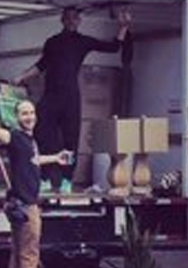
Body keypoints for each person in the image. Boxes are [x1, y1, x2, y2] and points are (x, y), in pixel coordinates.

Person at [14, 7, 131, 193]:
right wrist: (22, 77)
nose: (71, 21)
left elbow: (114, 47)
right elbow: (41, 65)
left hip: (70, 98)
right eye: (68, 18)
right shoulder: (52, 42)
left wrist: (123, 27)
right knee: (42, 135)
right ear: (62, 20)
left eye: (74, 18)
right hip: (50, 96)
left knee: (70, 140)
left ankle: (67, 180)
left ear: (78, 21)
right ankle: (44, 178)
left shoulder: (83, 42)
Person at [0, 85, 70, 268]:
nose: (29, 117)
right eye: (24, 114)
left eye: (31, 113)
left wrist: (55, 158)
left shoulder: (29, 140)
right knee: (29, 255)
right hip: (26, 206)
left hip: (19, 204)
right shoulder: (17, 137)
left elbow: (34, 160)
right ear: (16, 117)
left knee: (18, 253)